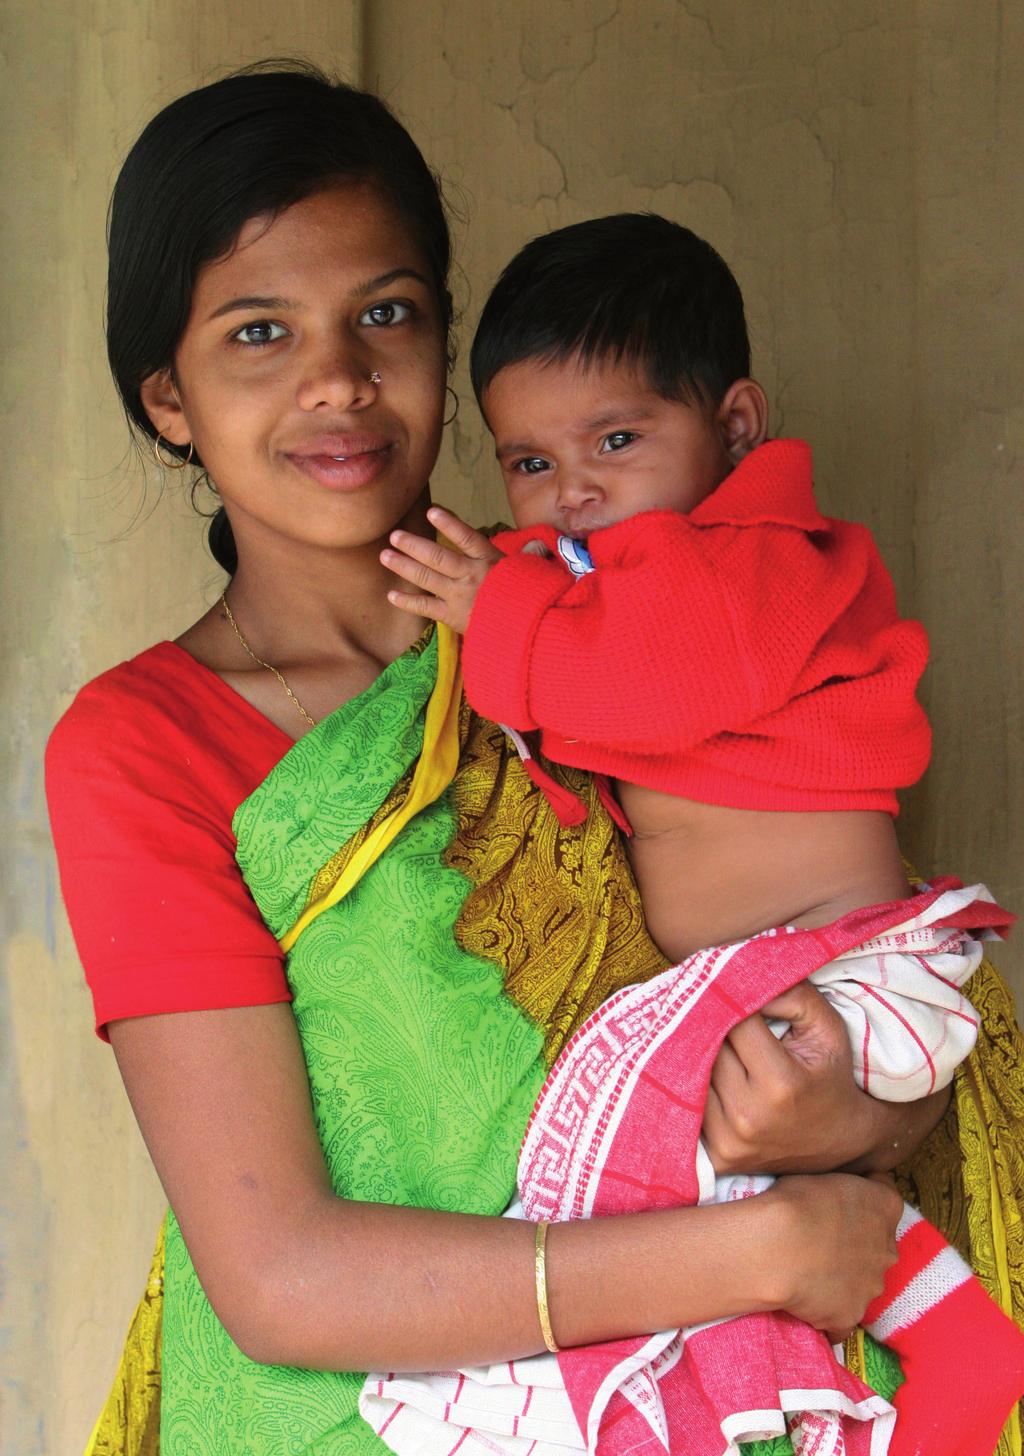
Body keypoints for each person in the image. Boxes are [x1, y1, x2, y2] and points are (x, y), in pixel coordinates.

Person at [43, 66, 1021, 1456]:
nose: (338, 377)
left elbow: (832, 931)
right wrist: (759, 1251)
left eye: (388, 313)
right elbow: (281, 1275)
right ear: (170, 402)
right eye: (259, 332)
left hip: (731, 1393)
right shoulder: (145, 745)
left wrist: (860, 1107)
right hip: (355, 1420)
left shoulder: (619, 620)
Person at [376, 214, 1024, 1453]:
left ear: (734, 427)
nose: (572, 489)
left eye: (616, 440)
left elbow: (648, 679)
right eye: (526, 462)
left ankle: (511, 1401)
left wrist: (500, 599)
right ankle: (955, 1345)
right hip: (778, 986)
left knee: (614, 1174)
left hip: (840, 975)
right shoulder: (608, 569)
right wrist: (511, 579)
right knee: (767, 1225)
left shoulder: (761, 560)